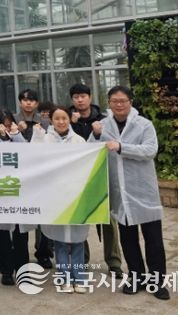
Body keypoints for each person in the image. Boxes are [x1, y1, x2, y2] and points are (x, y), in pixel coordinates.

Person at [91, 86, 170, 300]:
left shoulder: (144, 124)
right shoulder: (103, 125)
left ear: (130, 102)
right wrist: (96, 135)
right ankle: (136, 278)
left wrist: (121, 147)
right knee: (128, 240)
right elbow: (91, 151)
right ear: (109, 103)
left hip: (143, 191)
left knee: (154, 241)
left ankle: (158, 282)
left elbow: (150, 150)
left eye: (123, 101)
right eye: (114, 101)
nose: (119, 104)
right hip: (120, 193)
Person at [32, 106, 90, 294]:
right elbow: (34, 160)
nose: (61, 121)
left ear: (69, 119)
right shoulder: (45, 139)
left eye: (64, 118)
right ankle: (65, 278)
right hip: (54, 197)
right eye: (57, 118)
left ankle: (80, 278)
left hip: (75, 197)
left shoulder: (79, 140)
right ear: (51, 120)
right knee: (60, 242)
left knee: (78, 240)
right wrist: (37, 137)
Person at [69, 83, 124, 278]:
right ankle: (81, 260)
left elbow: (113, 143)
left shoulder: (104, 119)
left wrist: (99, 133)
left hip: (102, 177)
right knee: (79, 220)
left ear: (90, 97)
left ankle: (114, 262)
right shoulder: (66, 119)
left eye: (83, 96)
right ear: (72, 100)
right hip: (76, 179)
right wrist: (72, 125)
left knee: (109, 220)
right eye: (76, 96)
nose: (80, 100)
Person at [0, 108, 29, 286]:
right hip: (1, 191)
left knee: (21, 234)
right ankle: (6, 271)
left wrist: (15, 134)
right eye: (3, 125)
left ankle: (23, 270)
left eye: (8, 124)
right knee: (3, 233)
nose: (6, 127)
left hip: (19, 189)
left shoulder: (17, 135)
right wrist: (3, 138)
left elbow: (26, 152)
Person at [15, 89, 53, 269]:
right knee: (21, 217)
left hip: (41, 175)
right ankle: (20, 257)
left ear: (37, 103)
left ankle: (43, 253)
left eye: (32, 100)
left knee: (42, 215)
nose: (28, 103)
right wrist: (17, 131)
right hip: (19, 175)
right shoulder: (13, 120)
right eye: (25, 100)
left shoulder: (45, 122)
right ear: (20, 102)